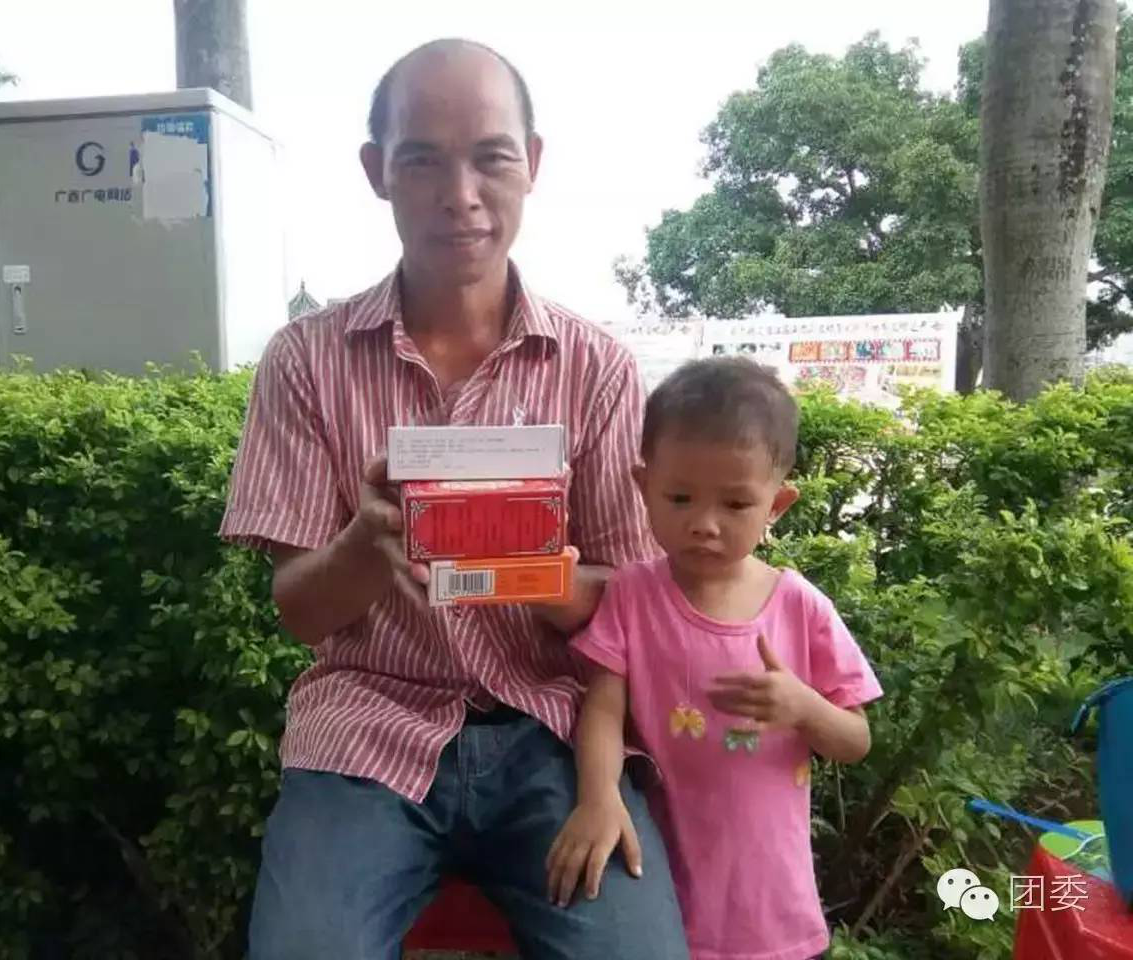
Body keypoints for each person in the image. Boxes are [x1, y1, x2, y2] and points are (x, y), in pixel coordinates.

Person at [219, 37, 689, 960]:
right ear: (376, 172)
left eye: (491, 157)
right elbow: (298, 610)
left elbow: (637, 606)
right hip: (366, 731)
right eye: (422, 160)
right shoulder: (306, 361)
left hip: (555, 736)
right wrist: (366, 546)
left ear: (533, 164)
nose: (460, 193)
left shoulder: (594, 368)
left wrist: (535, 571)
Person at [546, 357, 883, 960]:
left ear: (777, 504)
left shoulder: (799, 607)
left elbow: (855, 741)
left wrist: (804, 707)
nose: (704, 524)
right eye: (680, 497)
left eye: (735, 505)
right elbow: (601, 710)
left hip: (769, 899)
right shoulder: (633, 595)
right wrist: (599, 797)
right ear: (642, 486)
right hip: (661, 878)